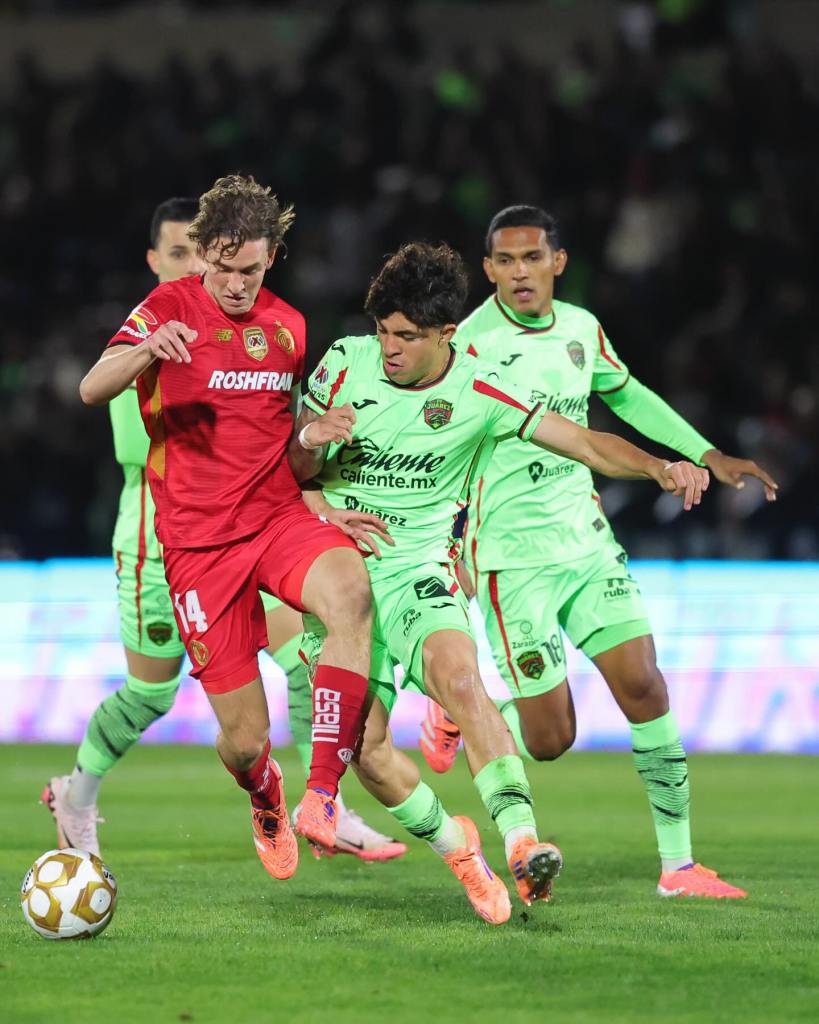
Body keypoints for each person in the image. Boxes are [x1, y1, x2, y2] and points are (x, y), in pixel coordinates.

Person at [288, 241, 708, 921]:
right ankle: (459, 850)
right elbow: (288, 473)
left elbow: (582, 440)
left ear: (446, 335)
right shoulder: (344, 364)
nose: (388, 348)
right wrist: (312, 442)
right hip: (338, 575)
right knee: (364, 750)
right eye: (382, 332)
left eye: (406, 337)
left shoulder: (481, 387)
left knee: (462, 682)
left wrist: (660, 467)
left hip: (419, 571)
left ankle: (521, 845)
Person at [420, 205, 778, 899]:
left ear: (558, 262)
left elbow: (626, 394)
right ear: (487, 269)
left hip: (583, 543)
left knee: (644, 684)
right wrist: (447, 537)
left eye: (531, 258)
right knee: (551, 739)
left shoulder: (581, 329)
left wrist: (702, 452)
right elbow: (437, 442)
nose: (518, 272)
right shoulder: (464, 345)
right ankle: (464, 709)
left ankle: (677, 867)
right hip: (509, 558)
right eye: (503, 261)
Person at [41, 197, 403, 864]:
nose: (237, 284)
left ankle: (323, 796)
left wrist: (315, 475)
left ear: (272, 261)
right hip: (181, 542)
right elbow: (93, 388)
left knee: (340, 602)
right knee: (217, 726)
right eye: (224, 267)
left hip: (271, 522)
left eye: (253, 271)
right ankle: (254, 790)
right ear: (202, 255)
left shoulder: (288, 328)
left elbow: (276, 441)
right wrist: (148, 349)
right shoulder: (165, 311)